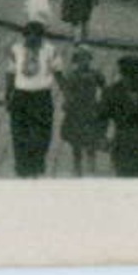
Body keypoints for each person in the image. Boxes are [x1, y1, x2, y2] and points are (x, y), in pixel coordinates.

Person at [4, 21, 60, 178]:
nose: (33, 39)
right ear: (25, 36)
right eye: (29, 35)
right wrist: (8, 95)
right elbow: (10, 73)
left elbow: (58, 72)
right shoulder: (16, 50)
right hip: (21, 97)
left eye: (37, 36)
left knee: (42, 134)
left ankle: (37, 166)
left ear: (42, 37)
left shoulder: (51, 51)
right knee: (20, 134)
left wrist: (68, 94)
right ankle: (22, 168)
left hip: (42, 97)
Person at [56, 46, 108, 177]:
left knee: (92, 137)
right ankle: (77, 165)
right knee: (76, 140)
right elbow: (66, 91)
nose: (83, 61)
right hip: (76, 110)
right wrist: (67, 101)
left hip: (91, 108)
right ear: (76, 60)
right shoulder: (71, 75)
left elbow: (105, 88)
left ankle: (91, 163)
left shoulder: (96, 74)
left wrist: (102, 102)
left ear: (90, 59)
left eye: (86, 58)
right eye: (80, 59)